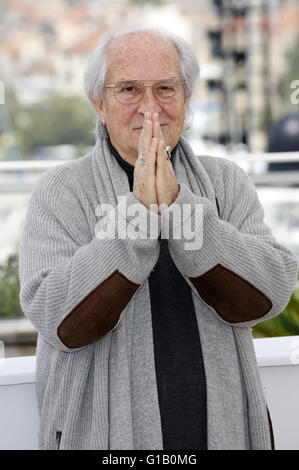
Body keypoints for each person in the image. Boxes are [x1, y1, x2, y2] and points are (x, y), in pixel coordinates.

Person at [18, 28, 298, 451]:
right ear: (99, 102)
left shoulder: (226, 182)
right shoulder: (61, 191)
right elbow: (56, 318)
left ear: (186, 99)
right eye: (129, 89)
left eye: (166, 88)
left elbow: (270, 292)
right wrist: (139, 219)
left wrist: (184, 210)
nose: (150, 108)